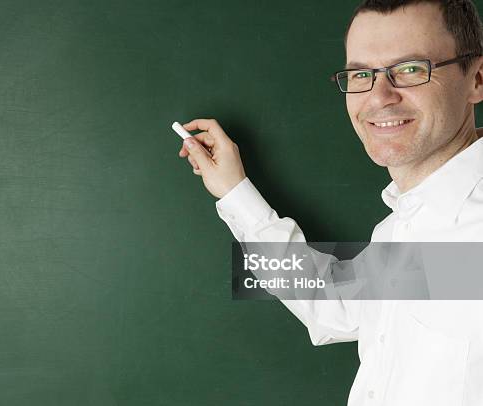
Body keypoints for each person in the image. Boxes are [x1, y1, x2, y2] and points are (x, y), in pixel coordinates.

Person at [177, 1, 483, 405]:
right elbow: (331, 306)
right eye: (361, 74)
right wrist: (235, 192)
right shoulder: (404, 229)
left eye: (410, 69)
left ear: (477, 78)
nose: (379, 96)